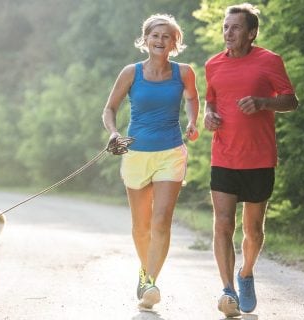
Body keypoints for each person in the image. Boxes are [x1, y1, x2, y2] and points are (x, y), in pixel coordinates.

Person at [203, 3, 299, 317]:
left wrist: (261, 103)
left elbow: (290, 101)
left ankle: (246, 273)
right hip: (224, 155)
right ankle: (228, 289)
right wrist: (208, 115)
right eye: (225, 27)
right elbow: (211, 100)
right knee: (223, 225)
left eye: (235, 28)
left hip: (259, 157)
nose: (228, 33)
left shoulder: (270, 61)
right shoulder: (213, 64)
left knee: (253, 231)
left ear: (251, 32)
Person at [101, 14, 199, 311]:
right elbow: (109, 108)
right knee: (141, 225)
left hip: (171, 152)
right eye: (155, 36)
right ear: (145, 40)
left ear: (174, 42)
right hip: (136, 154)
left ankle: (150, 281)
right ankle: (145, 274)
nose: (160, 41)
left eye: (166, 36)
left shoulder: (184, 72)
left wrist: (193, 121)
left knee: (161, 220)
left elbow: (193, 99)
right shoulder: (131, 73)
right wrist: (115, 133)